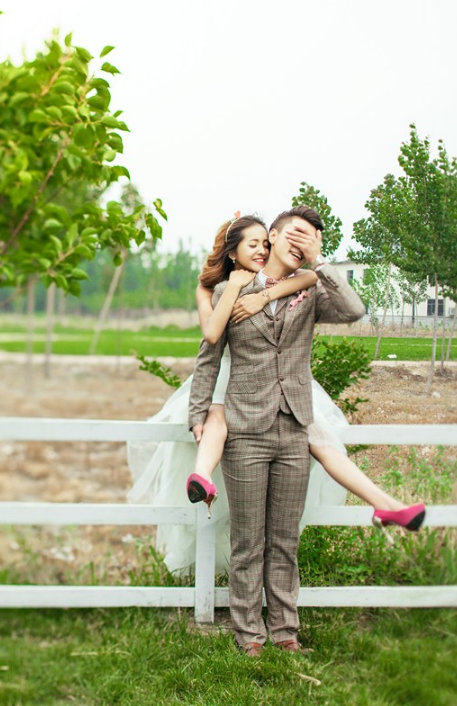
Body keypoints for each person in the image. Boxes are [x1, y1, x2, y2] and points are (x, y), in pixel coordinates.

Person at [127, 214, 425, 582]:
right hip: (234, 383)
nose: (262, 250)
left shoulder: (298, 284)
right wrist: (197, 411)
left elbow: (340, 301)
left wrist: (271, 290)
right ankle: (201, 477)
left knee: (323, 442)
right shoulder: (222, 288)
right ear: (235, 251)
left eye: (262, 245)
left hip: (288, 394)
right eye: (253, 244)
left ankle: (387, 505)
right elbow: (210, 348)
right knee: (215, 423)